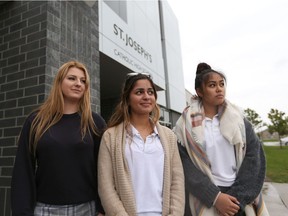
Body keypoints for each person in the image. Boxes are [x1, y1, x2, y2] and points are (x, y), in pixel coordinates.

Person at [11, 61, 106, 216]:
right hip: (44, 209)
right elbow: (23, 169)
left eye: (83, 81)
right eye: (72, 78)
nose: (78, 84)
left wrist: (102, 209)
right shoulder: (36, 120)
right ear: (59, 81)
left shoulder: (95, 122)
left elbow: (105, 170)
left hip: (87, 209)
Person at [173, 63, 269, 216]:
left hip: (240, 198)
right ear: (199, 92)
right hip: (205, 198)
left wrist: (237, 200)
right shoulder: (184, 125)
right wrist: (215, 197)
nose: (219, 89)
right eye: (212, 85)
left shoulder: (239, 120)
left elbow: (254, 159)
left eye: (221, 84)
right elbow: (184, 165)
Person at [98, 72, 184, 216]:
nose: (146, 96)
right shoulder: (110, 136)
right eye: (139, 92)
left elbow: (177, 181)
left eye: (150, 92)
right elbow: (106, 185)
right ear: (127, 99)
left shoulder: (169, 136)